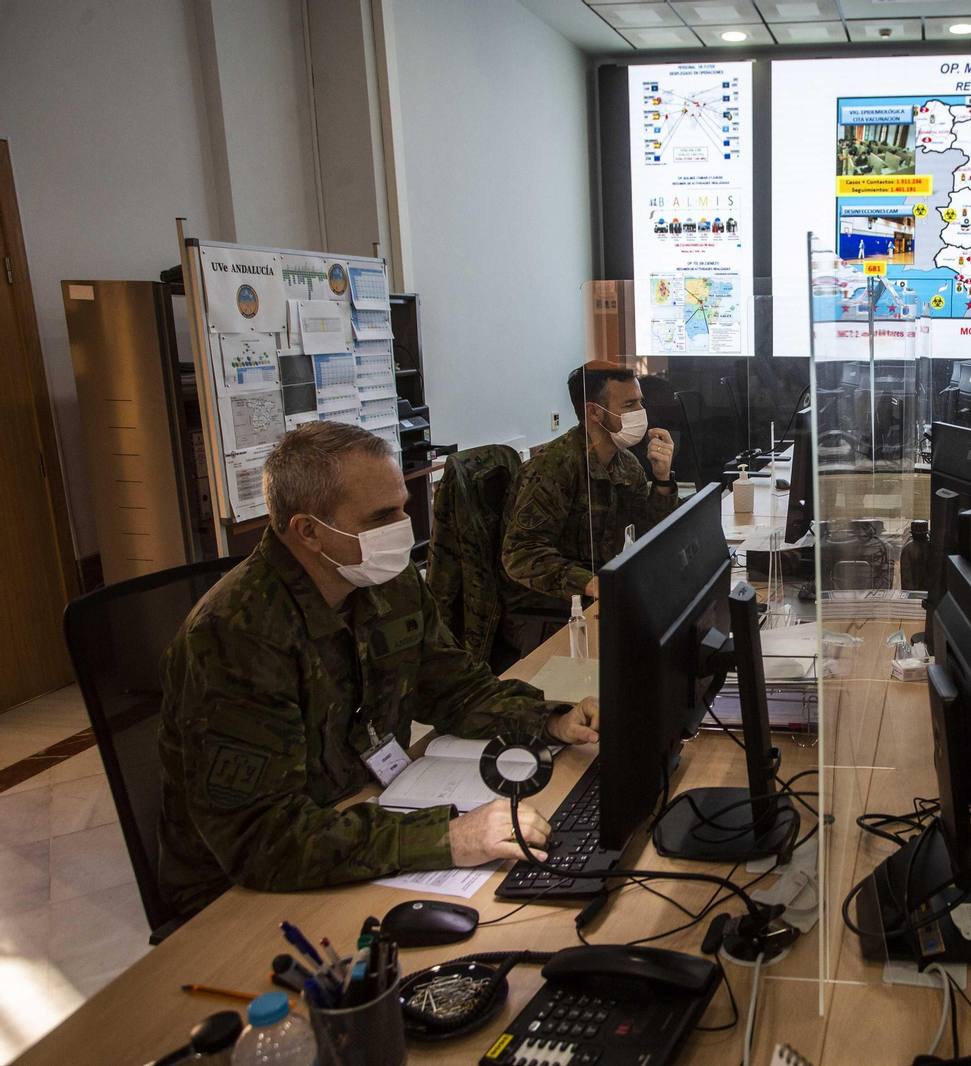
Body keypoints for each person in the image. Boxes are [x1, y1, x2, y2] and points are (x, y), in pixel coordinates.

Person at [157, 423, 600, 920]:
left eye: (403, 508)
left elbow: (455, 689)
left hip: (366, 807)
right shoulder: (235, 635)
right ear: (308, 530)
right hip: (240, 896)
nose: (402, 528)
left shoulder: (386, 582)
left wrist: (552, 720)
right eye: (382, 516)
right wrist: (449, 836)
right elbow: (263, 839)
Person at [500, 362, 678, 654]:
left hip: (600, 597)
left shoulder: (626, 464)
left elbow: (649, 533)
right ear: (594, 412)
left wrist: (662, 481)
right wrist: (591, 584)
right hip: (549, 610)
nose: (640, 413)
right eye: (629, 404)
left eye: (640, 403)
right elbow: (519, 553)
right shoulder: (555, 467)